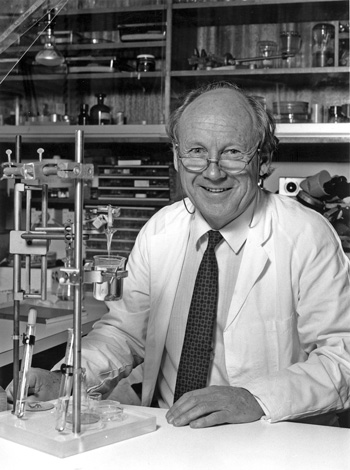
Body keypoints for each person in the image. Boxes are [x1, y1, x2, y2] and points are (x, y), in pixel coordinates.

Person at [7, 81, 350, 428]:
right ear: (175, 156)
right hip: (169, 432)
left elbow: (342, 356)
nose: (213, 171)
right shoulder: (160, 231)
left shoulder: (306, 235)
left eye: (233, 152)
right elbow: (123, 334)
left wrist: (256, 398)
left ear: (263, 159)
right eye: (196, 151)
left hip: (267, 436)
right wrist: (67, 379)